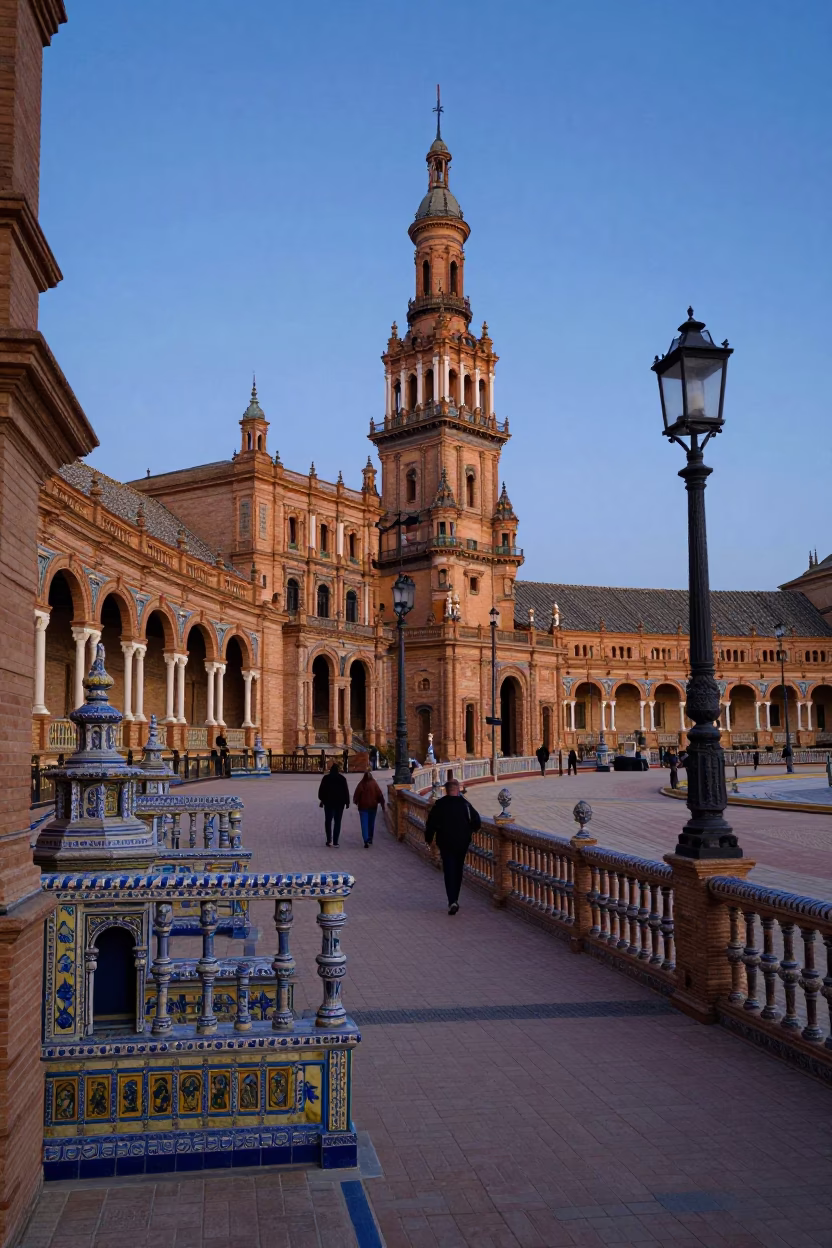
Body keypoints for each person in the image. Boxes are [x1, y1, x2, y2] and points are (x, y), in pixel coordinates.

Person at [424, 778, 481, 915]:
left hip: (445, 842)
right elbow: (477, 821)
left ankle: (452, 900)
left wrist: (429, 838)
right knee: (458, 869)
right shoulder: (465, 805)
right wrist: (469, 830)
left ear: (446, 790)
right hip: (461, 843)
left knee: (449, 870)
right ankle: (455, 897)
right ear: (458, 790)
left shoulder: (440, 804)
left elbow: (431, 824)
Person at [318, 763, 350, 847]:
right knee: (337, 822)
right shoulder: (342, 779)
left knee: (328, 821)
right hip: (340, 804)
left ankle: (329, 840)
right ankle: (336, 841)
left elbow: (321, 791)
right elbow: (346, 791)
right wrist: (347, 802)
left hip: (328, 803)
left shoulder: (326, 778)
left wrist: (322, 800)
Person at [353, 770, 386, 847]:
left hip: (363, 807)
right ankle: (370, 838)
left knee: (364, 824)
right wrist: (382, 804)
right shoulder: (374, 784)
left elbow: (356, 795)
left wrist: (356, 801)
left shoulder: (361, 784)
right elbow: (380, 794)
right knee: (371, 823)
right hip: (372, 807)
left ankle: (366, 839)